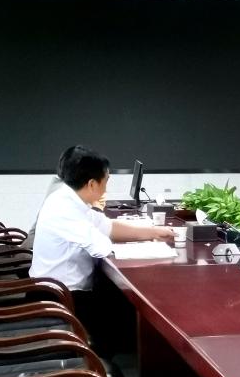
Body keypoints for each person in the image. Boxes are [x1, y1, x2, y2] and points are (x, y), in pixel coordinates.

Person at [30, 146, 173, 352]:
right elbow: (103, 247)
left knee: (121, 302)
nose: (106, 189)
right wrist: (150, 250)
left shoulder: (69, 198)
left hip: (63, 292)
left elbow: (107, 227)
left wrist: (153, 232)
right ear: (91, 184)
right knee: (127, 309)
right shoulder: (64, 208)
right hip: (60, 299)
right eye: (106, 181)